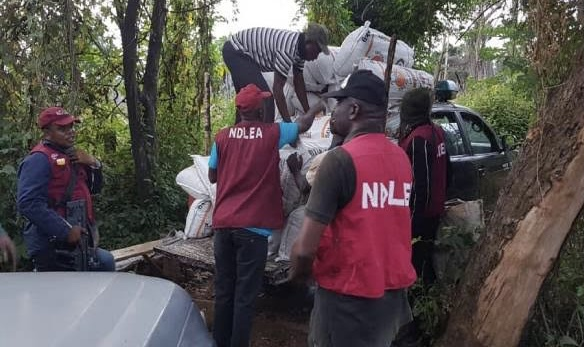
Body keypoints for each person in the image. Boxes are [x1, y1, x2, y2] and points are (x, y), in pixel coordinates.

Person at [290, 70, 417, 347]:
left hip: (346, 300)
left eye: (339, 105)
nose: (332, 113)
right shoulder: (400, 159)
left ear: (354, 109)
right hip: (391, 300)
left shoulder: (339, 162)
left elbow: (304, 250)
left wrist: (298, 276)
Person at [208, 83, 320, 347]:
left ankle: (218, 343)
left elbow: (213, 176)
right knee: (245, 297)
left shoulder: (222, 137)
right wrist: (317, 105)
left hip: (223, 226)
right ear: (260, 110)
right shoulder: (272, 133)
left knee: (224, 291)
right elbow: (302, 125)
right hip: (253, 229)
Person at [17, 106, 115, 272]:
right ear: (47, 132)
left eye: (71, 127)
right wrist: (65, 231)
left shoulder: (73, 155)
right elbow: (28, 203)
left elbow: (94, 189)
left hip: (79, 238)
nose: (70, 132)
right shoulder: (39, 159)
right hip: (53, 244)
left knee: (104, 264)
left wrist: (94, 163)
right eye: (62, 128)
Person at [222, 23, 330, 123]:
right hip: (237, 51)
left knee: (245, 102)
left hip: (238, 52)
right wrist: (289, 127)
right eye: (317, 51)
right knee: (265, 99)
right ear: (308, 42)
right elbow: (277, 90)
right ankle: (266, 140)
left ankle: (235, 138)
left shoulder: (300, 52)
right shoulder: (288, 49)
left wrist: (308, 113)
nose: (316, 57)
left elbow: (299, 83)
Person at [398, 88, 449, 286]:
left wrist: (412, 224)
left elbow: (421, 187)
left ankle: (415, 309)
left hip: (420, 216)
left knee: (416, 265)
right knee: (426, 262)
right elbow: (448, 170)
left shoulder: (419, 138)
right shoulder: (437, 132)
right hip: (433, 211)